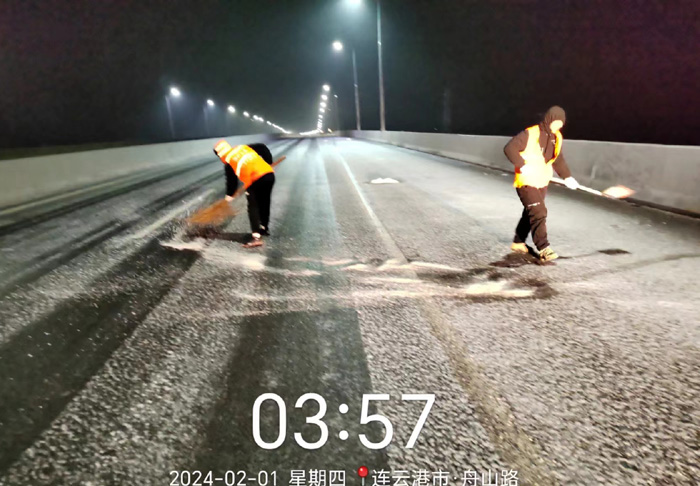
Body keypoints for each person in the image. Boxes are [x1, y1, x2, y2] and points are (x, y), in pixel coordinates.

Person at [503, 106, 580, 261]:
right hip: (526, 180)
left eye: (561, 123)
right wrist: (522, 165)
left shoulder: (557, 137)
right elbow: (509, 148)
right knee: (539, 212)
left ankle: (518, 242)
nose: (558, 126)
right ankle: (543, 247)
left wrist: (567, 177)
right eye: (556, 122)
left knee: (531, 212)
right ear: (549, 119)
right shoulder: (530, 133)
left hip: (541, 180)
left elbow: (558, 160)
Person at [213, 140, 283, 248]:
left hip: (254, 180)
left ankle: (256, 238)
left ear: (219, 154)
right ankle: (264, 228)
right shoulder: (243, 147)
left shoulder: (229, 162)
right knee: (265, 201)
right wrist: (268, 162)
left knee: (253, 206)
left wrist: (228, 198)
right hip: (269, 175)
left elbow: (232, 183)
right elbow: (262, 147)